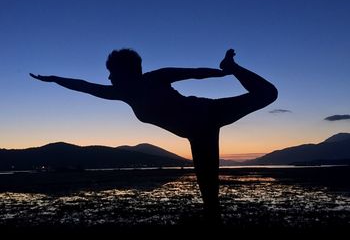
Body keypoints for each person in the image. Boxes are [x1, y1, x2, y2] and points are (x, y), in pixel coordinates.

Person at [30, 48, 278, 221]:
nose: (108, 77)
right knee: (208, 187)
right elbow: (85, 86)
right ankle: (212, 220)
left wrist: (224, 72)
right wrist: (55, 79)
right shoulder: (123, 93)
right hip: (199, 131)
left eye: (112, 72)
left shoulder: (156, 77)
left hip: (207, 113)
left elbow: (193, 72)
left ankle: (234, 66)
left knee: (268, 93)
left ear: (127, 72)